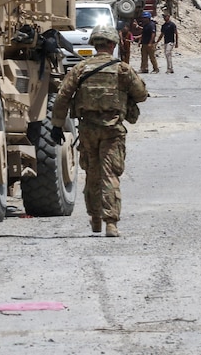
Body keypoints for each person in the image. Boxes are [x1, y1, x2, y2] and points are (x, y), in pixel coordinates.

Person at [50, 24, 148, 237]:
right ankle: (111, 223)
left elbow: (62, 96)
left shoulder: (80, 69)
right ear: (113, 44)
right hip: (112, 130)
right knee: (109, 174)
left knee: (92, 174)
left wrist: (57, 125)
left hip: (87, 129)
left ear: (94, 44)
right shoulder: (122, 69)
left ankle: (95, 219)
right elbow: (141, 94)